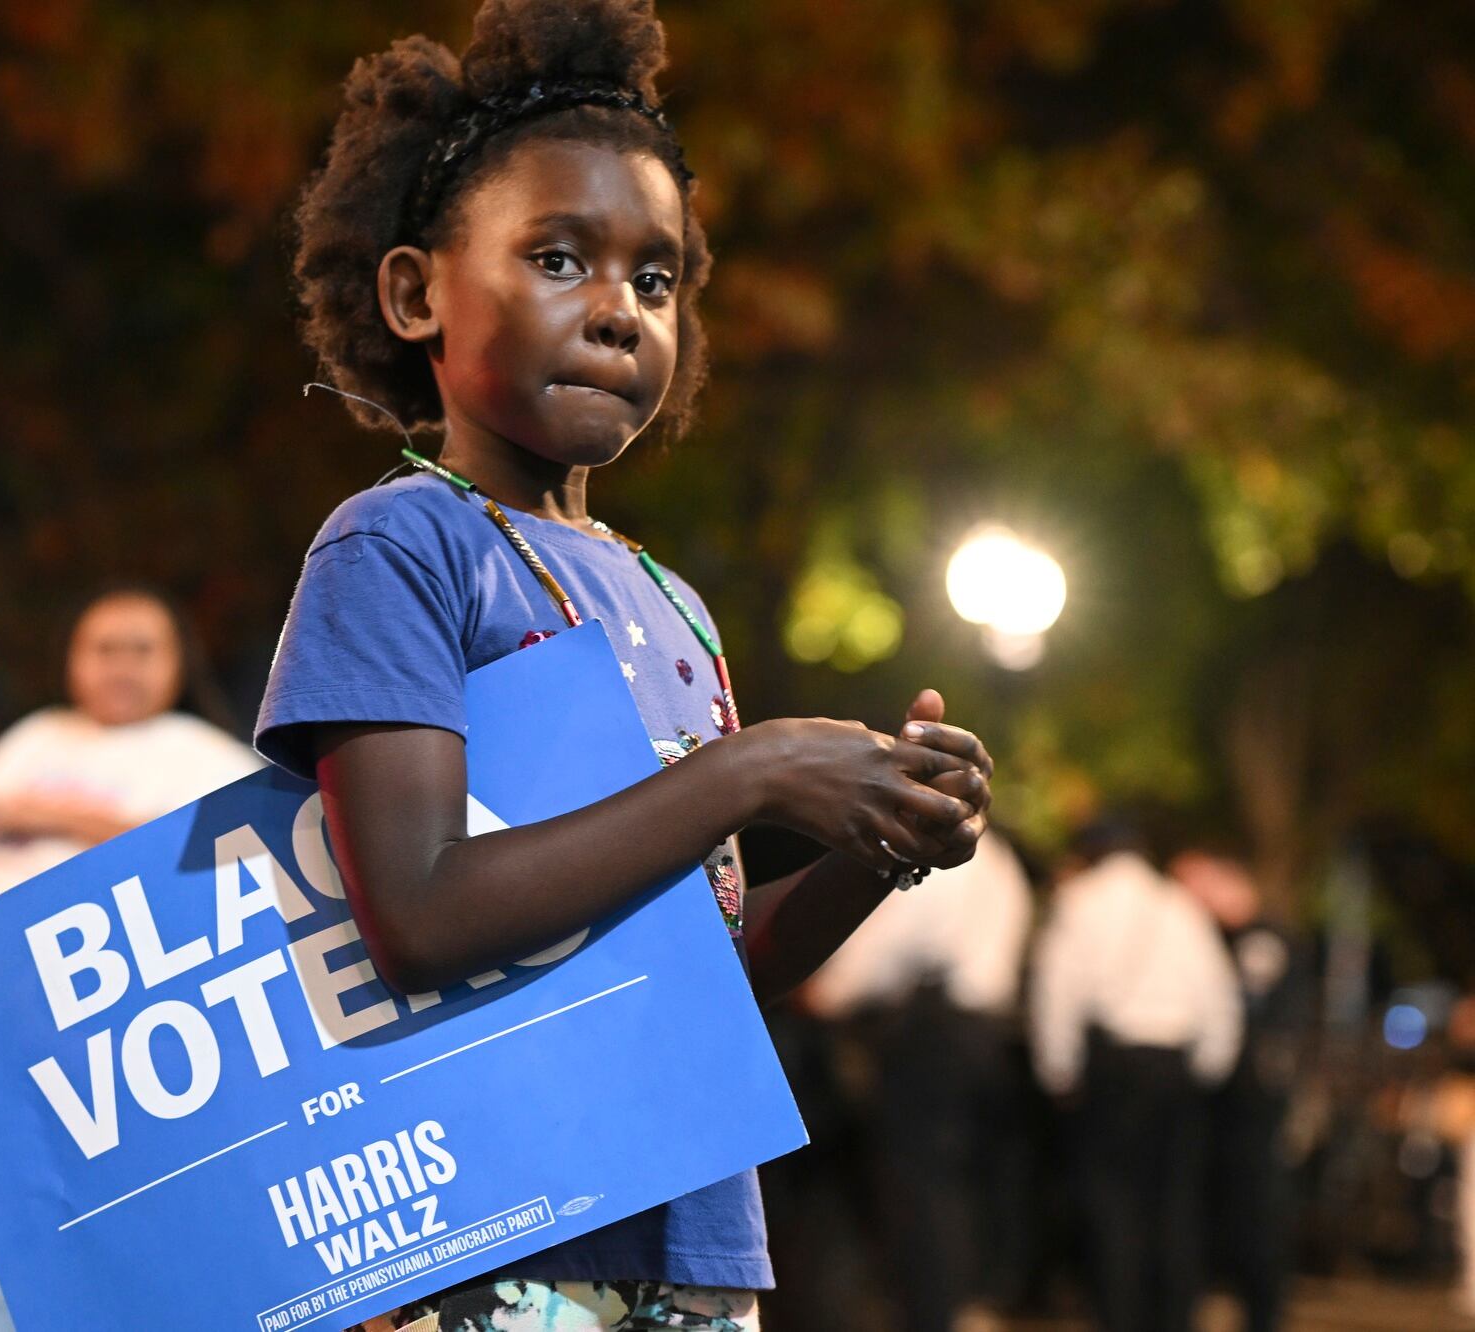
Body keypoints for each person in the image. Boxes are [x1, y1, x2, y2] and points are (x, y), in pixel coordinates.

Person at [262, 3, 995, 1328]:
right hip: (493, 1234)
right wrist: (752, 772)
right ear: (418, 291)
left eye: (655, 283)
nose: (617, 313)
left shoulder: (671, 602)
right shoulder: (400, 543)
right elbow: (418, 915)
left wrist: (877, 843)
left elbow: (703, 967)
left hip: (695, 1227)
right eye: (558, 258)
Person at [0, 585, 261, 1332]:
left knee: (139, 1232)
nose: (120, 666)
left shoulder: (203, 755)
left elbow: (205, 852)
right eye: (103, 648)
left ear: (175, 662)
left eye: (142, 648)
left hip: (141, 1041)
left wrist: (29, 816)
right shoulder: (34, 738)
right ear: (73, 660)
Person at [806, 831, 1035, 1331]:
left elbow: (891, 942)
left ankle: (940, 1310)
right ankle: (983, 1297)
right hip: (987, 1028)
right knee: (977, 1173)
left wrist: (829, 990)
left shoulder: (943, 854)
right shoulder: (1003, 863)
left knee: (924, 1185)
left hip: (934, 1032)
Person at [1027, 827, 1242, 1332]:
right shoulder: (1179, 905)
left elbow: (1056, 989)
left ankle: (1119, 1315)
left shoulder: (1081, 900)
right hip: (1174, 1067)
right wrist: (1209, 1068)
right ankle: (1173, 1317)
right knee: (1175, 1204)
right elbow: (1218, 996)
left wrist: (1058, 1069)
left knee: (1111, 1205)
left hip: (1115, 1066)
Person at [1169, 845, 1307, 1332]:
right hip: (1225, 1100)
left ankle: (1261, 1310)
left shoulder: (1260, 940)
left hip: (1252, 1103)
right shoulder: (1218, 938)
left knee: (1256, 1207)